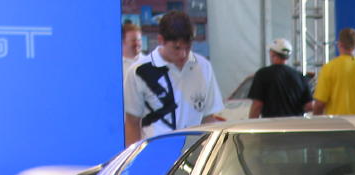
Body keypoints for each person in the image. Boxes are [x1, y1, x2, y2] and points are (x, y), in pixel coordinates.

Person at [124, 10, 224, 146]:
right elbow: (132, 122)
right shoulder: (138, 71)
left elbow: (208, 117)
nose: (183, 54)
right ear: (161, 40)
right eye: (176, 48)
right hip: (155, 152)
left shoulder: (203, 67)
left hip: (194, 154)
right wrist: (133, 161)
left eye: (187, 47)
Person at [312, 27, 355, 115]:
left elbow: (320, 104)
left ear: (340, 44)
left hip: (336, 125)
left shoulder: (329, 68)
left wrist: (317, 122)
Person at [248, 38, 313, 118]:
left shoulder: (262, 74)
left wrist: (252, 126)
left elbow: (257, 105)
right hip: (295, 125)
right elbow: (309, 106)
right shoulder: (300, 76)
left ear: (272, 54)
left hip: (271, 125)